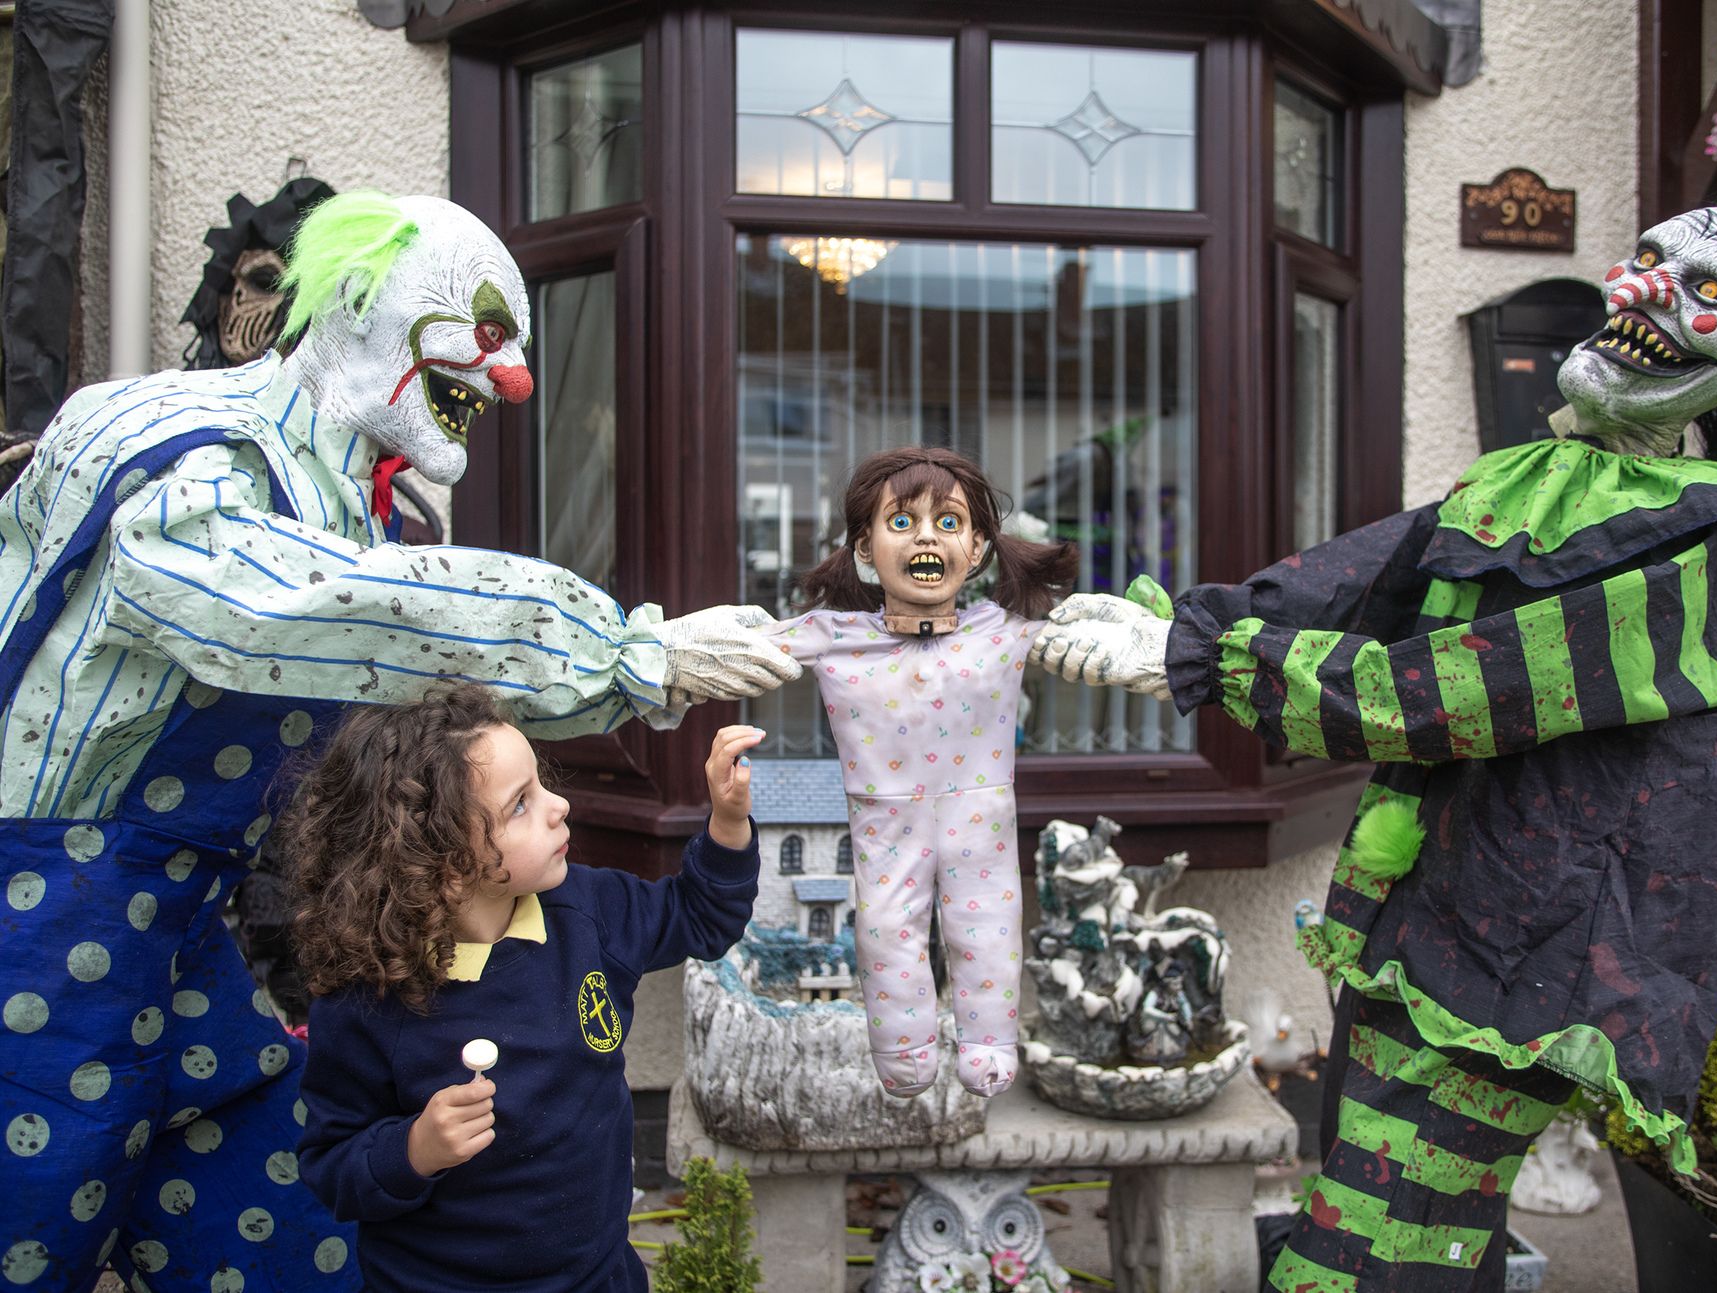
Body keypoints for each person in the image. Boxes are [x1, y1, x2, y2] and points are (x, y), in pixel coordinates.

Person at [1032, 111, 1717, 1291]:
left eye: (1704, 286)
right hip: (1423, 913)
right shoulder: (1533, 470)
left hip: (1529, 959)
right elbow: (1359, 575)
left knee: (1373, 1246)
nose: (1650, 289)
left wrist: (1202, 665)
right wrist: (1186, 622)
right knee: (1380, 1214)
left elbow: (1464, 690)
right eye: (1652, 257)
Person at [0, 189, 796, 1290]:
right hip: (32, 919)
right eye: (481, 326)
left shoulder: (366, 518)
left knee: (280, 1247)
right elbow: (264, 607)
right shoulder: (167, 436)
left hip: (185, 934)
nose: (509, 376)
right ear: (362, 298)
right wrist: (624, 651)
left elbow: (419, 679)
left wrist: (656, 694)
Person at [286, 684, 762, 1293]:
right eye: (520, 804)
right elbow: (330, 1166)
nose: (559, 804)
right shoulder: (368, 998)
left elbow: (701, 916)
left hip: (599, 1276)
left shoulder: (589, 910)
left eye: (541, 785)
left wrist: (726, 820)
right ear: (440, 860)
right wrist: (413, 1148)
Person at [761, 446, 1075, 1097]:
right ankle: (902, 1048)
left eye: (948, 521)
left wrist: (1155, 646)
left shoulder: (1004, 629)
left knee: (987, 921)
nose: (926, 534)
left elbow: (1082, 643)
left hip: (980, 813)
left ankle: (989, 1042)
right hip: (884, 813)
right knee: (886, 929)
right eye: (901, 522)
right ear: (864, 550)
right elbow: (747, 644)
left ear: (979, 548)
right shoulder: (835, 633)